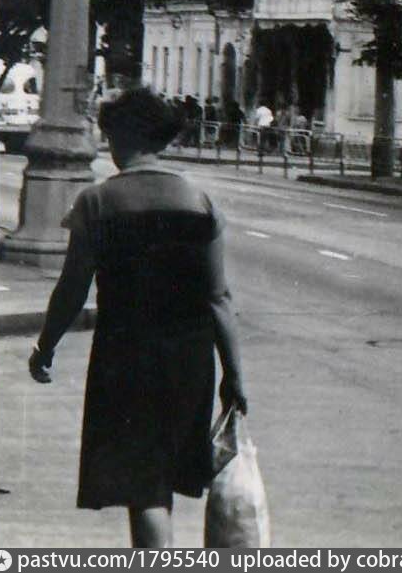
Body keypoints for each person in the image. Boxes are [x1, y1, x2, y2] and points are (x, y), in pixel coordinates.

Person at [28, 87, 246, 547]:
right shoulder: (199, 200)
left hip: (124, 357)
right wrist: (234, 376)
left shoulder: (98, 202)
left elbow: (72, 288)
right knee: (159, 483)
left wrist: (45, 347)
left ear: (120, 137)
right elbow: (218, 297)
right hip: (190, 360)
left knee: (143, 488)